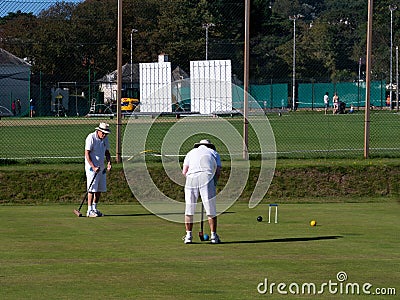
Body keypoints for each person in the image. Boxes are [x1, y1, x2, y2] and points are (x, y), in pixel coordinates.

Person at [182, 139, 222, 244]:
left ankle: (188, 236)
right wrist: (213, 183)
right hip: (207, 177)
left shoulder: (190, 153)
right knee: (211, 209)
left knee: (189, 209)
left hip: (191, 178)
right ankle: (214, 236)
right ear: (210, 146)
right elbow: (217, 172)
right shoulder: (214, 153)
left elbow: (184, 172)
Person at [84, 122, 112, 217]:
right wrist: (93, 167)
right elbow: (87, 154)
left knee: (99, 189)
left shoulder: (105, 139)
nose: (104, 135)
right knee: (92, 189)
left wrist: (109, 163)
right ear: (98, 130)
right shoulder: (91, 137)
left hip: (101, 168)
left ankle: (94, 208)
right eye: (103, 133)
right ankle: (89, 210)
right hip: (92, 168)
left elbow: (107, 152)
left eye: (106, 133)